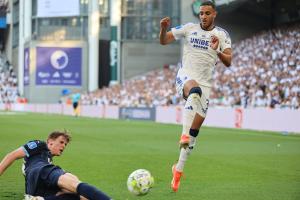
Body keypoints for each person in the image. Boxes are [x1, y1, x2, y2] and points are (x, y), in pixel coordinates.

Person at [159, 1, 232, 192]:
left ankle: (178, 170)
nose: (203, 16)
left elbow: (229, 61)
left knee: (193, 135)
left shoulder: (222, 35)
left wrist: (217, 49)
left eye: (207, 13)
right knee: (194, 91)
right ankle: (183, 134)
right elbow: (164, 40)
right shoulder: (189, 29)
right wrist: (163, 29)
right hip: (186, 77)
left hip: (206, 84)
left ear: (214, 14)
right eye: (201, 13)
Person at [0, 130, 112, 200]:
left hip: (35, 188)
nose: (63, 146)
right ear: (50, 142)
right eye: (61, 142)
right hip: (40, 171)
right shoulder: (40, 145)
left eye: (65, 144)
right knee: (72, 180)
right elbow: (12, 155)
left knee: (79, 196)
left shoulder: (48, 161)